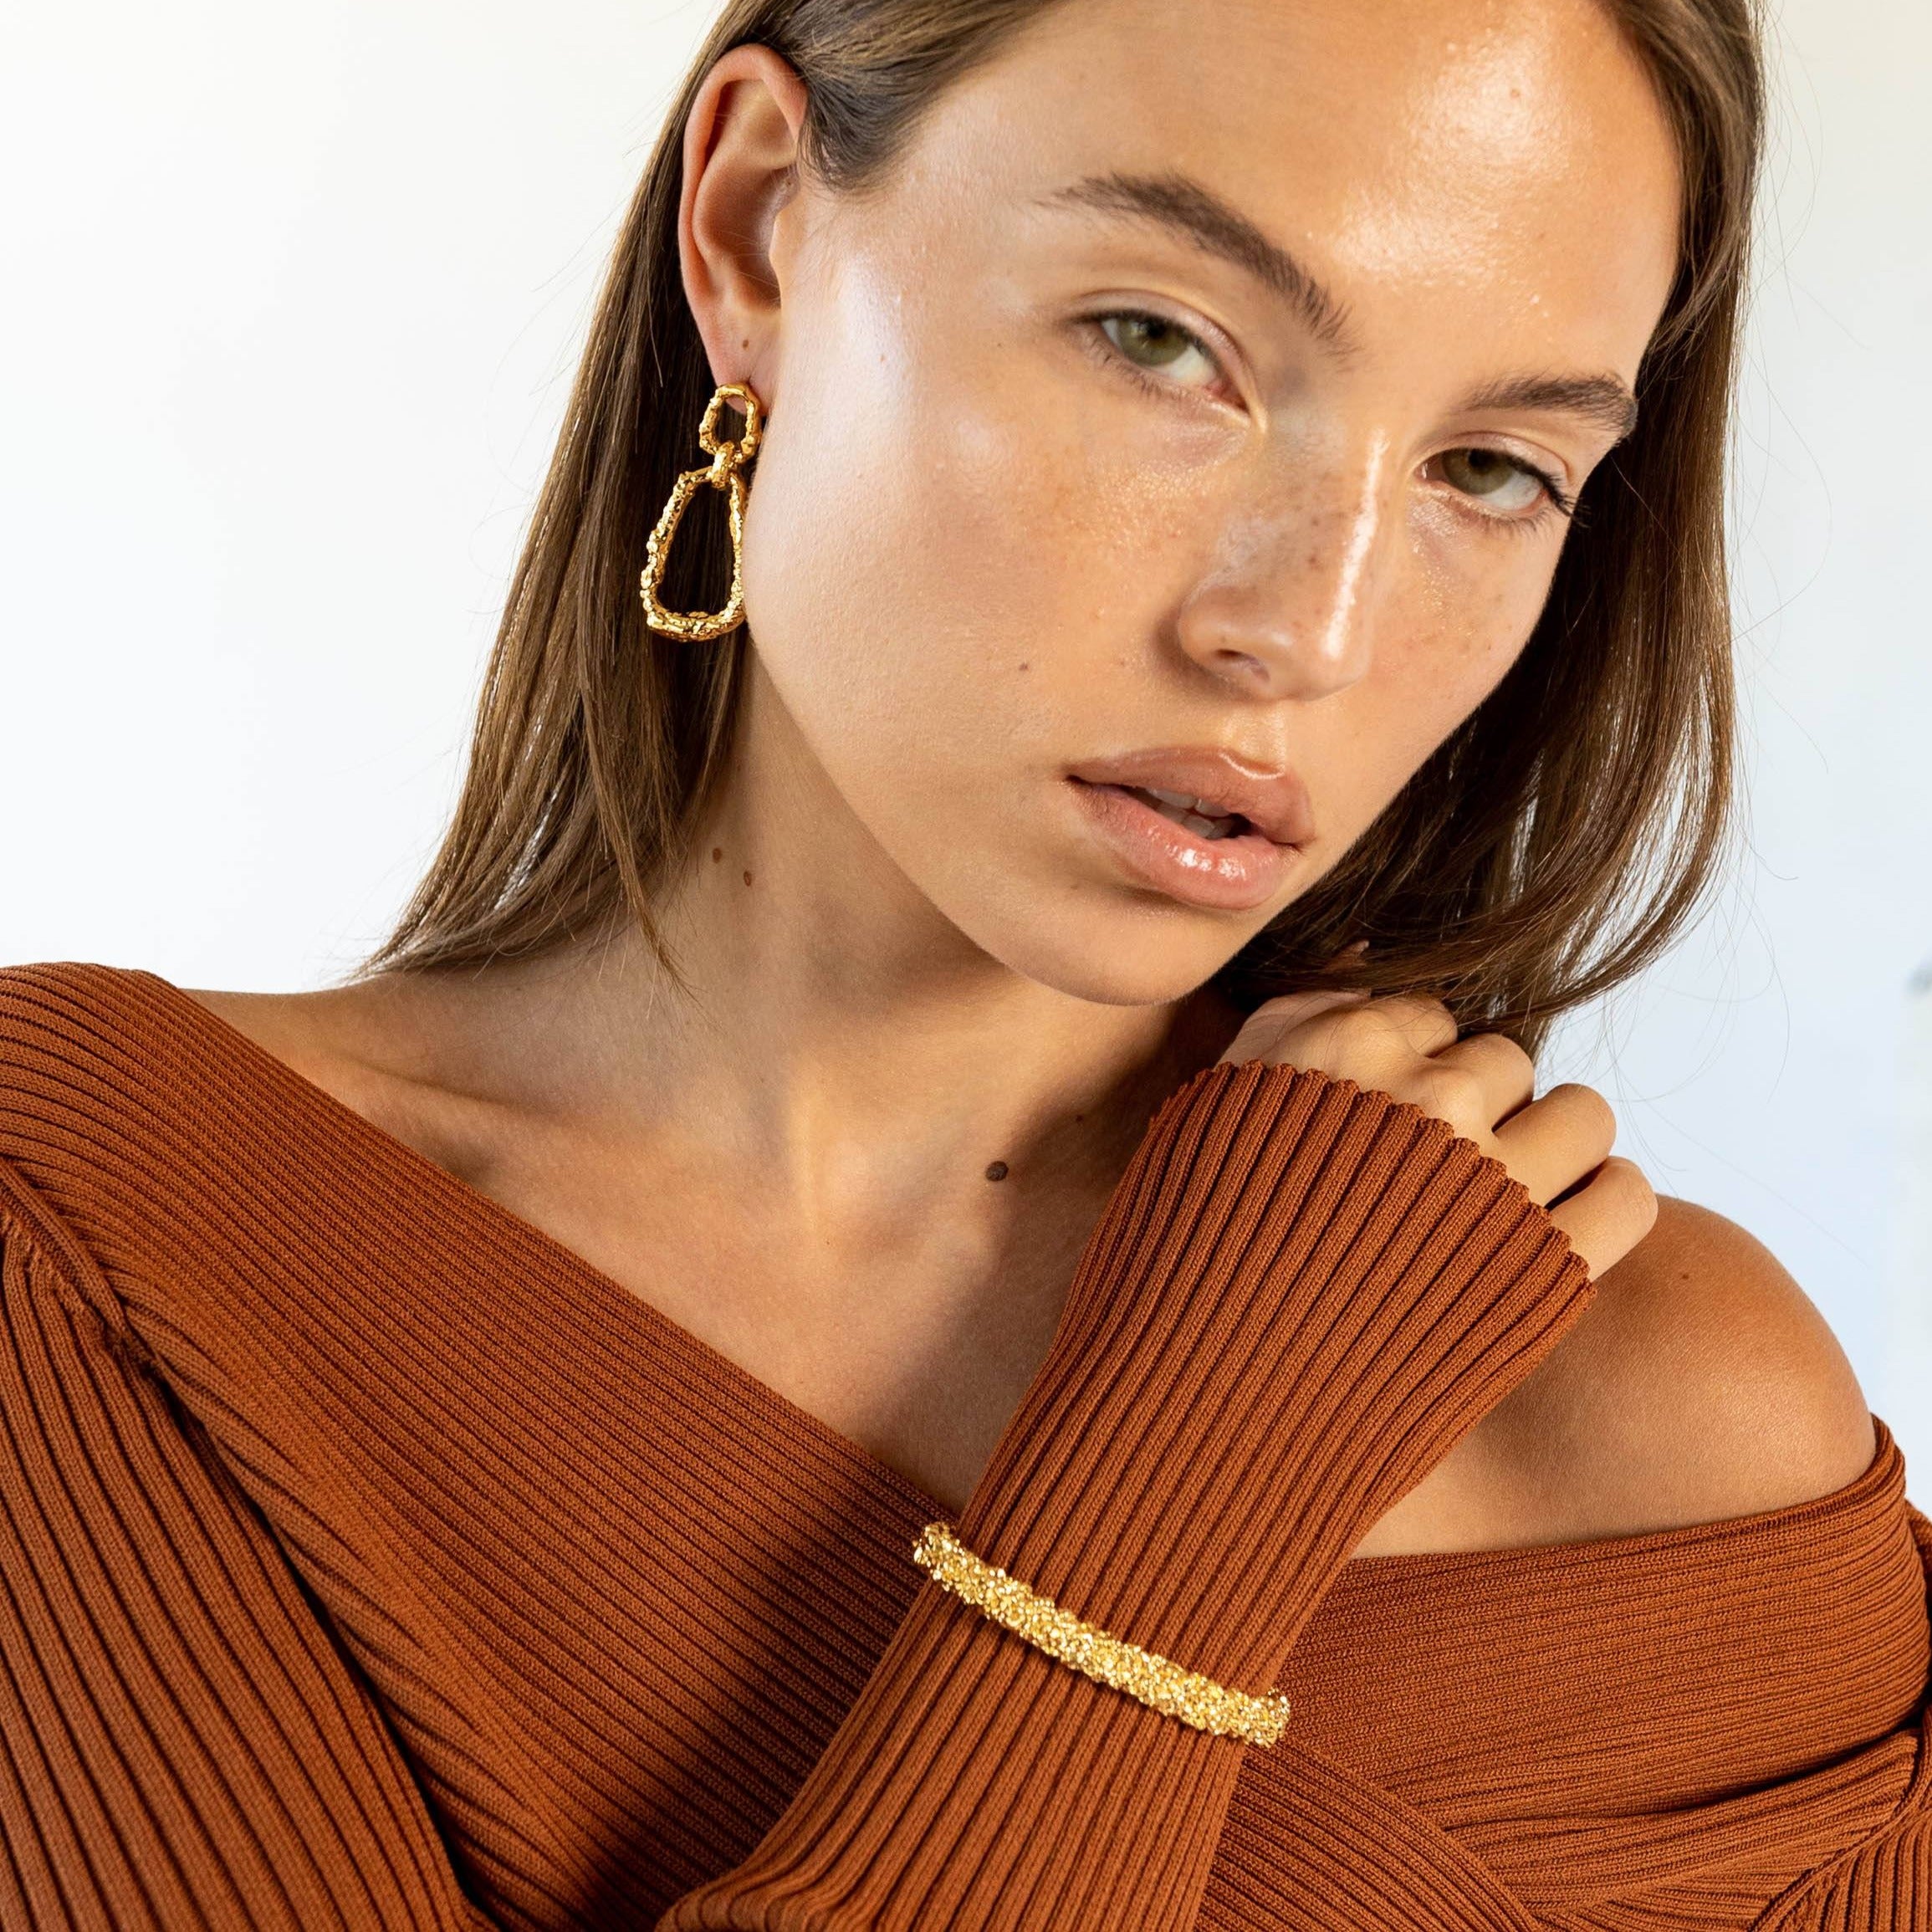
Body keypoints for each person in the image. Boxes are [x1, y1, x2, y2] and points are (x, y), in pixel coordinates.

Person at [2, 0, 1924, 1924]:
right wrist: (1192, 1471)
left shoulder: (1660, 1408)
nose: (1310, 633)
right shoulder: (103, 1229)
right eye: (1162, 342)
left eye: (1490, 468)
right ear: (757, 230)